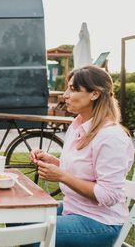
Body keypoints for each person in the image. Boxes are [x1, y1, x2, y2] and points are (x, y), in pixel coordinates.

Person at [29, 65, 134, 247]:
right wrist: (53, 161)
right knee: (19, 217)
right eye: (68, 87)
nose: (65, 95)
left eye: (74, 89)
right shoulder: (77, 125)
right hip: (74, 208)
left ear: (94, 94)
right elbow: (83, 169)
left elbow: (109, 195)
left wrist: (61, 175)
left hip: (101, 222)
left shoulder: (111, 137)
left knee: (29, 232)